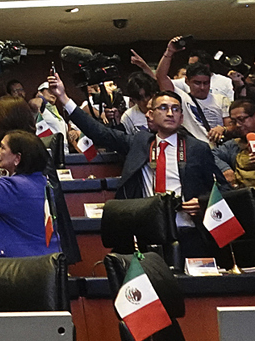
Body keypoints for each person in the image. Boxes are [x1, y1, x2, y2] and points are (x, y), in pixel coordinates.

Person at [55, 76, 221, 232]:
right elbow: (100, 133)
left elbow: (221, 187)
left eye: (176, 109)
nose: (170, 113)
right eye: (163, 108)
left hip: (187, 226)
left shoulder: (197, 148)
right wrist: (64, 98)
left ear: (181, 117)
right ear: (150, 114)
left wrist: (202, 202)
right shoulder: (140, 142)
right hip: (148, 226)